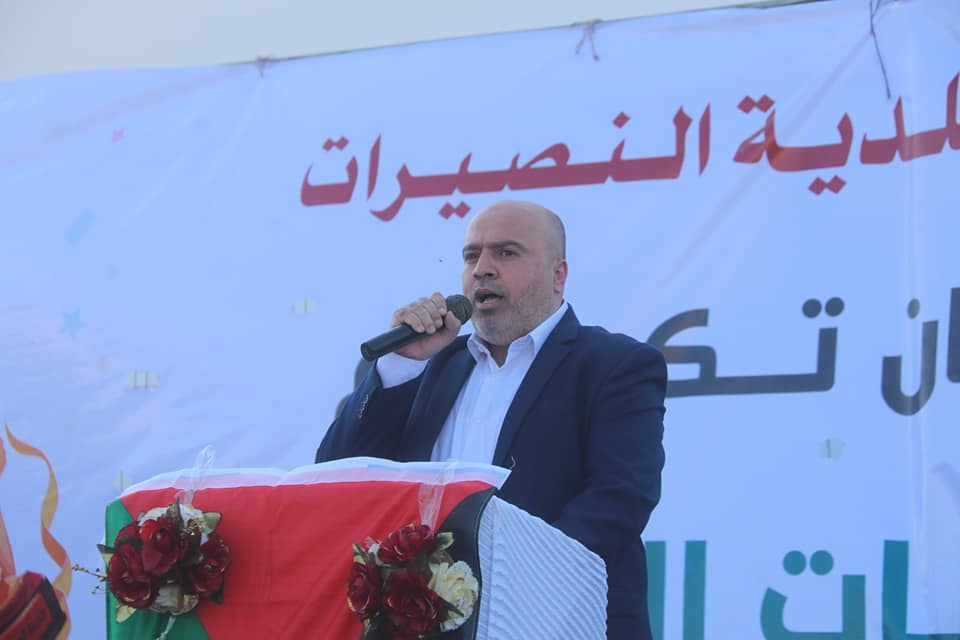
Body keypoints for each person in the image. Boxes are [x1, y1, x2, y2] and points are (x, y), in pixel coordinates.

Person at [316, 200, 666, 640]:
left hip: (555, 623)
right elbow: (336, 477)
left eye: (506, 252)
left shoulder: (615, 365)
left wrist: (509, 587)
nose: (482, 269)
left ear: (558, 275)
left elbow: (620, 498)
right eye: (471, 256)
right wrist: (400, 364)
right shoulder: (428, 366)